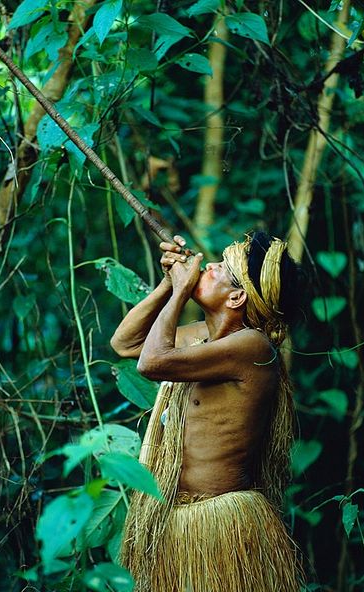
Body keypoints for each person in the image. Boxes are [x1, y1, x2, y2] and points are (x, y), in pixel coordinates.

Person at [110, 231, 304, 592]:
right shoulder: (203, 336)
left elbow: (151, 362)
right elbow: (127, 343)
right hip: (177, 522)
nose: (208, 265)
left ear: (236, 297)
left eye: (221, 268)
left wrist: (183, 290)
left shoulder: (251, 346)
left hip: (219, 523)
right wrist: (169, 285)